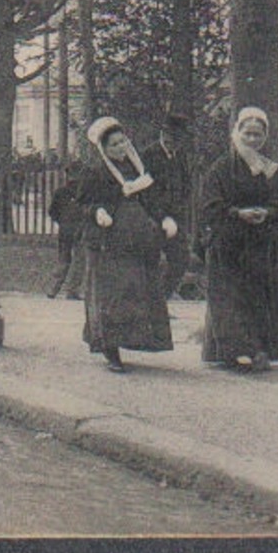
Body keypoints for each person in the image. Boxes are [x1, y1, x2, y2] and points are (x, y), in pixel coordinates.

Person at [71, 116, 180, 373]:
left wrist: (163, 217)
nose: (120, 148)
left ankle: (132, 340)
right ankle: (111, 349)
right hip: (110, 242)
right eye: (114, 145)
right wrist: (98, 212)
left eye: (122, 142)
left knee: (137, 291)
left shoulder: (137, 168)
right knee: (113, 294)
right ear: (103, 149)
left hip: (139, 241)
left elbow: (151, 198)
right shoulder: (96, 171)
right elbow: (82, 203)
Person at [197, 106, 278, 373]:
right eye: (248, 133)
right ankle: (232, 351)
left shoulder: (271, 170)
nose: (252, 140)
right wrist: (237, 213)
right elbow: (209, 206)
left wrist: (268, 213)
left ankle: (259, 349)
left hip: (261, 246)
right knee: (230, 299)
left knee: (260, 299)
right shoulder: (220, 169)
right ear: (236, 133)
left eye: (258, 135)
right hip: (229, 245)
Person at [141, 110, 195, 298]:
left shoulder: (180, 156)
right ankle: (151, 305)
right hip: (154, 219)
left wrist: (180, 209)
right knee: (152, 262)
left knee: (181, 259)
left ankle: (161, 299)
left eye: (179, 139)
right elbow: (146, 191)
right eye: (172, 137)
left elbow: (186, 184)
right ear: (164, 134)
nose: (175, 142)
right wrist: (161, 216)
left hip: (176, 217)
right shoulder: (149, 155)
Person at [44, 178, 84, 300]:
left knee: (63, 259)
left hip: (65, 229)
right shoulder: (84, 192)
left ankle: (53, 289)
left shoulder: (60, 192)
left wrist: (62, 221)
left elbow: (52, 211)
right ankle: (72, 290)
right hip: (79, 229)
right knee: (79, 260)